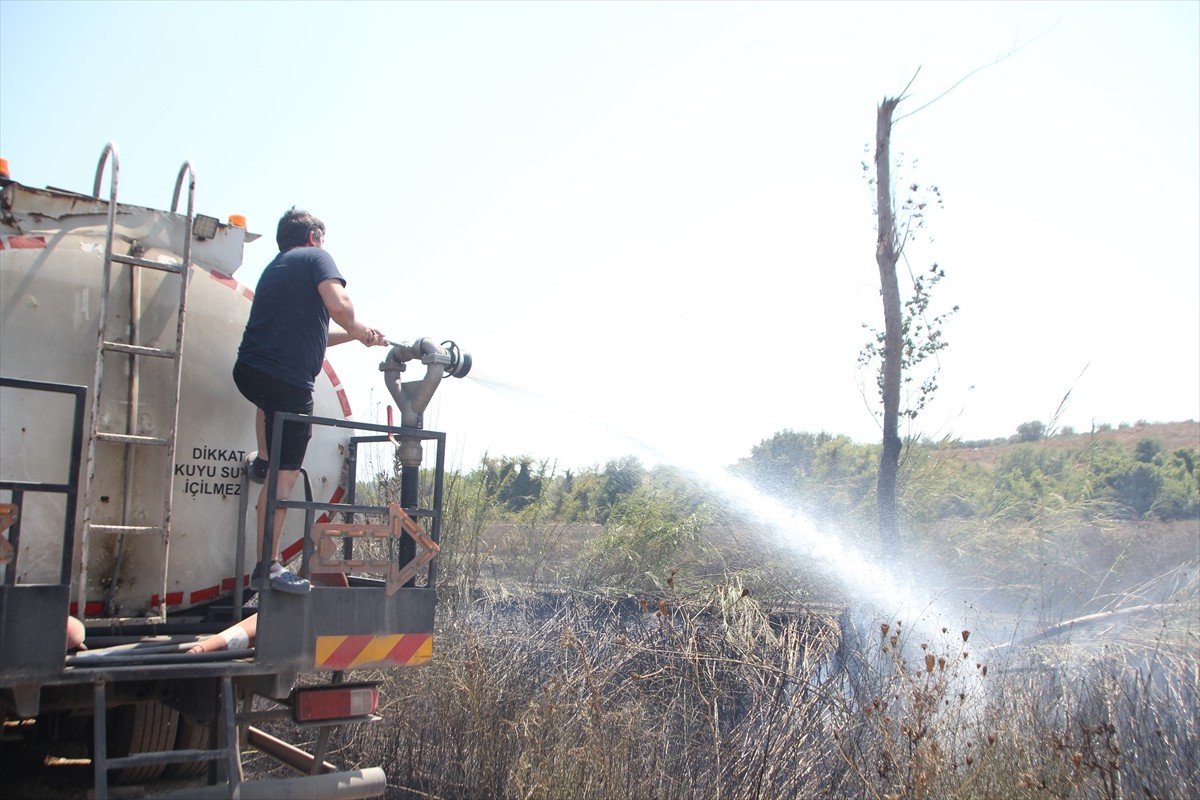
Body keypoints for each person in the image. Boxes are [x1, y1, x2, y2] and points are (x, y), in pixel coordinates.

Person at [233, 208, 387, 594]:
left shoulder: (276, 269)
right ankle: (267, 566)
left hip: (251, 371)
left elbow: (315, 335)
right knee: (284, 479)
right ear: (314, 237)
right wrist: (355, 323)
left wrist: (356, 336)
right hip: (288, 383)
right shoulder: (317, 257)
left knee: (270, 412)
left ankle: (264, 458)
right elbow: (339, 306)